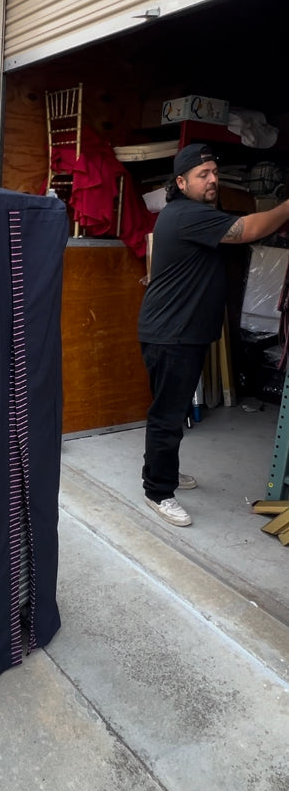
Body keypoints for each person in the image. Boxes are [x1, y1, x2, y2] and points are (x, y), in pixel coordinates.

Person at [138, 141, 289, 527]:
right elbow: (250, 229)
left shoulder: (195, 214)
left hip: (181, 333)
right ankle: (158, 490)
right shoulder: (188, 214)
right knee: (167, 415)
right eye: (203, 174)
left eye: (214, 173)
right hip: (171, 334)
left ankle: (162, 470)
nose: (212, 180)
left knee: (170, 410)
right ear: (182, 181)